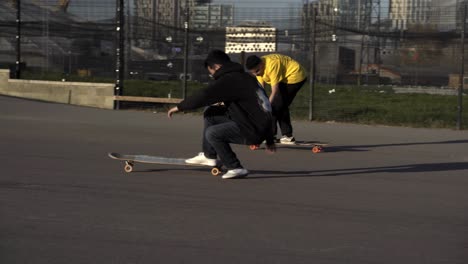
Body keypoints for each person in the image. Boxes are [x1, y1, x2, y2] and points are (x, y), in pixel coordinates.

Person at [167, 50, 276, 179]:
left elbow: (204, 95)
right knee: (211, 113)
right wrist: (270, 138)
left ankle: (235, 167)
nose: (212, 75)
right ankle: (209, 156)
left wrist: (180, 107)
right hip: (260, 125)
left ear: (216, 67)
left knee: (213, 133)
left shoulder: (229, 80)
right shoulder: (246, 77)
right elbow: (266, 106)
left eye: (211, 71)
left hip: (253, 129)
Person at [245, 54, 307, 145]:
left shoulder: (272, 65)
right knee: (279, 105)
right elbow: (261, 90)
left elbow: (275, 91)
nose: (256, 74)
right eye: (253, 73)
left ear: (261, 64)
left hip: (295, 75)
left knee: (276, 106)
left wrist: (267, 106)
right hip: (284, 77)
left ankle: (285, 136)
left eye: (257, 71)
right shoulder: (258, 70)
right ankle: (277, 135)